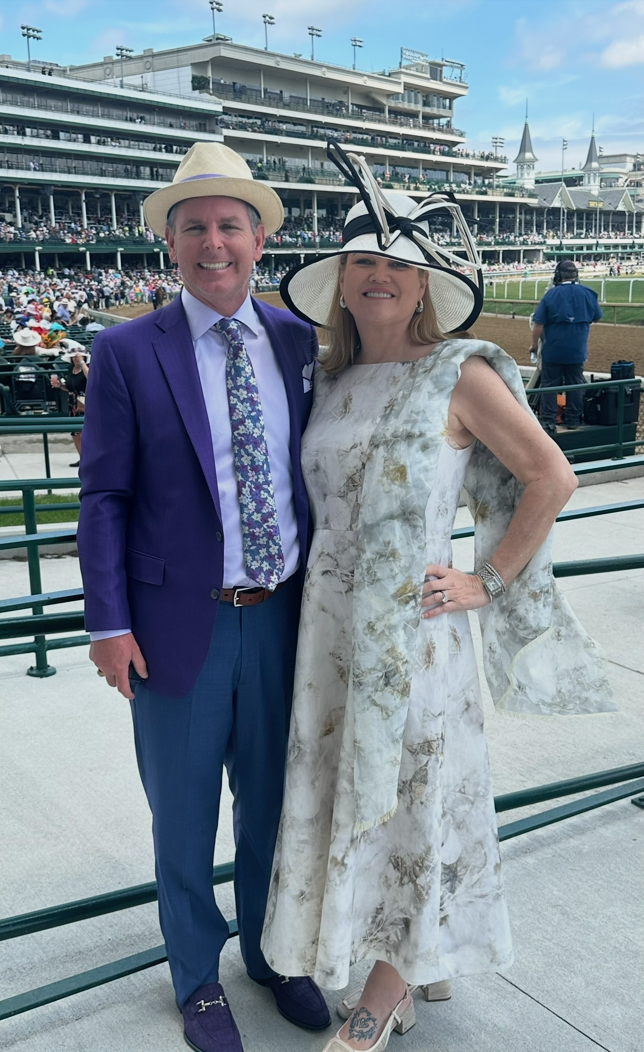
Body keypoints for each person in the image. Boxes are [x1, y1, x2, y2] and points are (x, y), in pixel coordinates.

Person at [260, 145, 616, 1052]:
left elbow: (551, 476)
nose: (380, 276)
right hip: (329, 633)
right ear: (342, 278)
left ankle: (386, 992)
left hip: (416, 637)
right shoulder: (328, 380)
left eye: (399, 266)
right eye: (365, 261)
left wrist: (485, 579)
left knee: (412, 803)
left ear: (423, 287)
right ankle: (414, 962)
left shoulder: (461, 371)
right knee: (354, 797)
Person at [76, 143, 331, 1052]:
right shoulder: (125, 350)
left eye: (230, 225)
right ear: (171, 245)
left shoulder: (302, 342)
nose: (213, 243)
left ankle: (274, 953)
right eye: (195, 228)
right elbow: (103, 495)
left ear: (261, 238)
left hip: (283, 618)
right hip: (175, 624)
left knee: (273, 803)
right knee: (182, 815)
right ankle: (197, 977)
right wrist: (107, 624)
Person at [529, 260, 602, 436]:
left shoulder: (551, 295)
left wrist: (533, 345)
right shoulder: (588, 293)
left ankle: (548, 421)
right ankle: (573, 420)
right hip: (577, 351)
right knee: (575, 384)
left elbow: (538, 324)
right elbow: (597, 317)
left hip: (554, 350)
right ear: (576, 275)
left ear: (558, 275)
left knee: (550, 386)